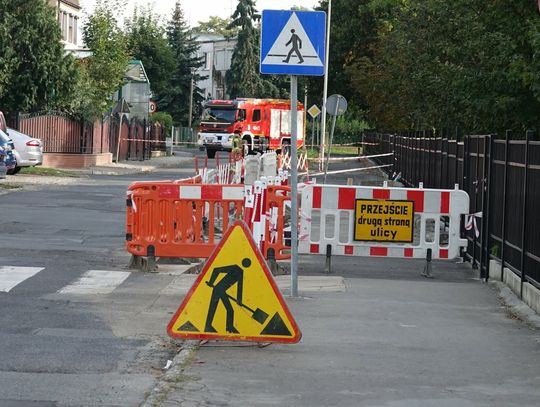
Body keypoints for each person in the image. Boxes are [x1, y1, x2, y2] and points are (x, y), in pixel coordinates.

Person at [204, 258, 251, 334]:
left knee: (225, 309)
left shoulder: (240, 272)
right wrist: (211, 282)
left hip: (221, 290)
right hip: (218, 290)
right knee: (214, 308)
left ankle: (228, 327)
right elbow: (216, 270)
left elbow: (240, 287)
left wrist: (239, 300)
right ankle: (212, 327)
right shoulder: (235, 268)